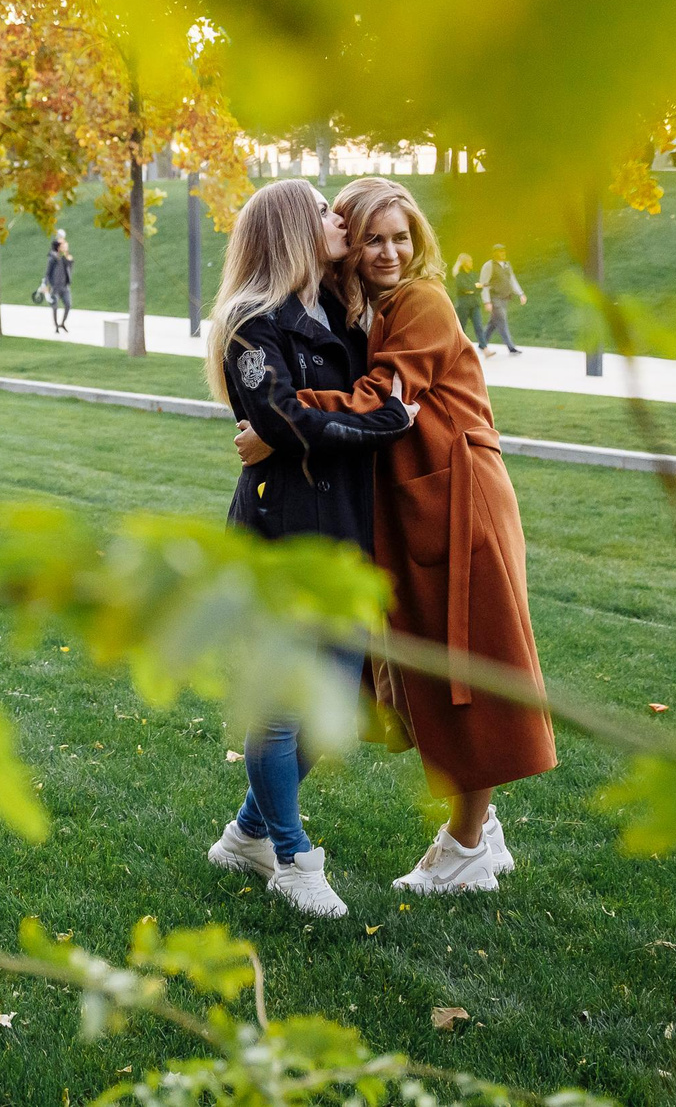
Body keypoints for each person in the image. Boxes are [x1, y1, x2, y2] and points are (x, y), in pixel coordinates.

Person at [234, 178, 555, 896]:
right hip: (416, 502)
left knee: (467, 668)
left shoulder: (421, 302)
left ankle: (467, 847)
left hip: (459, 499)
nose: (388, 252)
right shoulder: (357, 310)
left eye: (401, 237)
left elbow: (386, 401)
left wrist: (279, 423)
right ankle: (474, 831)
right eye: (372, 237)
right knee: (426, 670)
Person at [202, 179, 415, 920]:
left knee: (335, 705)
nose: (339, 218)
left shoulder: (341, 308)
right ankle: (293, 859)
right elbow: (283, 418)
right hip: (282, 535)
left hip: (346, 531)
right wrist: (386, 422)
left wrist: (337, 421)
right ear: (294, 227)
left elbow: (308, 417)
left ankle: (246, 835)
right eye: (325, 210)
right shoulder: (251, 323)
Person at [476, 243, 525, 355]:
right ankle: (511, 347)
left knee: (493, 322)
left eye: (503, 251)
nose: (502, 253)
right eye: (500, 251)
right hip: (494, 298)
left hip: (505, 298)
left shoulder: (507, 265)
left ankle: (482, 343)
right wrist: (487, 301)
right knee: (502, 321)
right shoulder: (489, 265)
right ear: (494, 253)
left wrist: (520, 293)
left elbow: (512, 280)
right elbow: (484, 284)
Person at [43, 229, 75, 334]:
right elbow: (48, 272)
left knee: (68, 304)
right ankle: (56, 325)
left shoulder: (66, 257)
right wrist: (46, 284)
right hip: (55, 287)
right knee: (55, 306)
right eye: (62, 245)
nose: (65, 247)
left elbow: (70, 266)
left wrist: (67, 257)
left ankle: (63, 323)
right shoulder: (53, 257)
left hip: (65, 286)